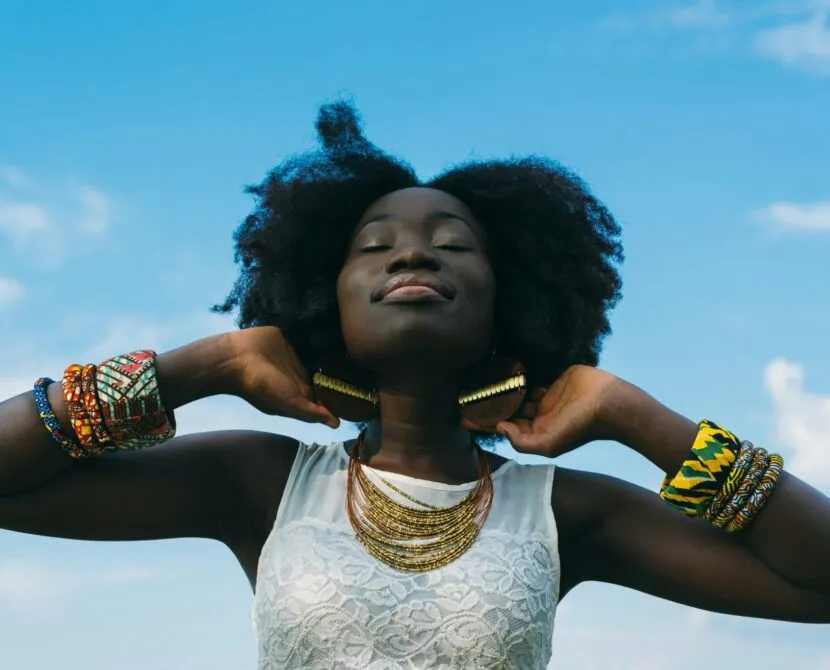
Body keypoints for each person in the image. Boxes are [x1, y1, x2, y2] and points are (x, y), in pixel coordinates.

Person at [1, 101, 828, 670]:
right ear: (326, 298)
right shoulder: (260, 483)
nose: (411, 253)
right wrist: (204, 364)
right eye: (375, 245)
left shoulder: (566, 511)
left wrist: (632, 416)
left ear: (513, 300)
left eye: (451, 243)